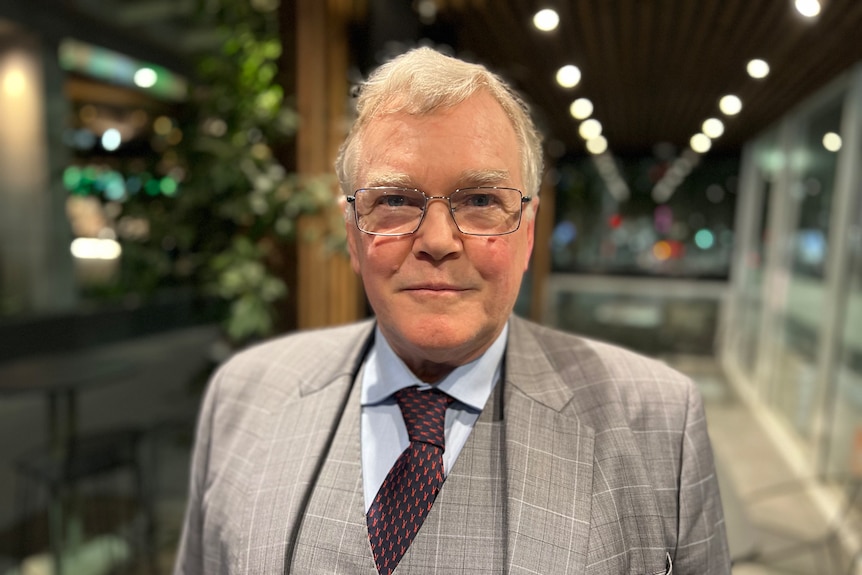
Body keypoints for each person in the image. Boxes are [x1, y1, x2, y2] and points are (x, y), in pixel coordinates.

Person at [174, 47, 731, 575]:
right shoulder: (242, 398)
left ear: (528, 232)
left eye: (481, 201)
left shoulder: (659, 423)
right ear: (352, 236)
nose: (437, 240)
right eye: (394, 200)